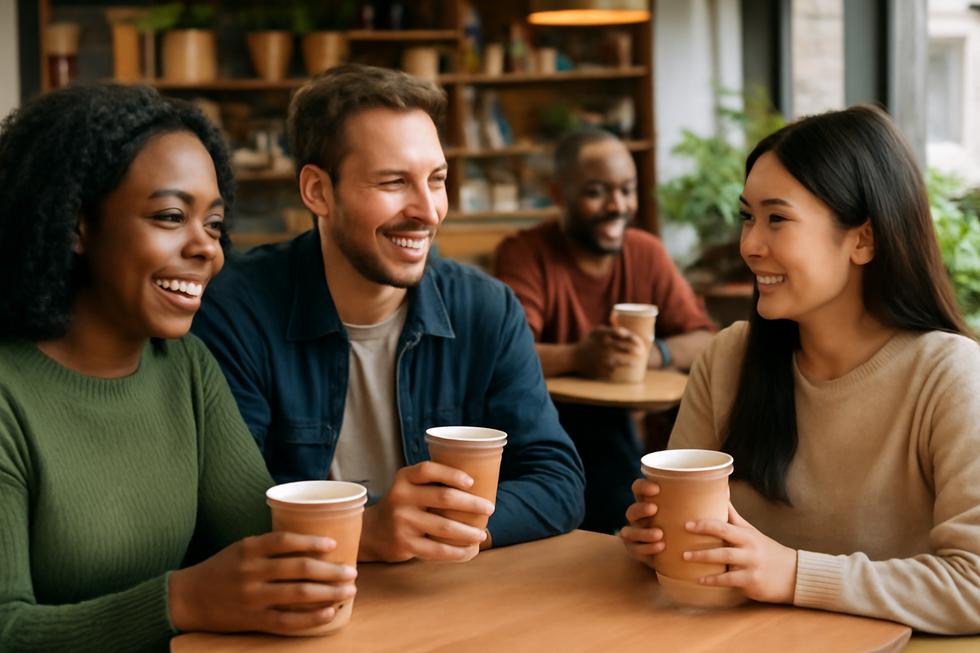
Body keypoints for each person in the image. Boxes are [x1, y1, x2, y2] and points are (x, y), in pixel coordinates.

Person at [0, 85, 358, 652]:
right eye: (171, 216)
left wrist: (371, 528)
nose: (207, 250)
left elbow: (260, 533)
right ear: (75, 224)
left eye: (213, 224)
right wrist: (180, 600)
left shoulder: (184, 365)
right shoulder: (8, 397)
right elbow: (7, 628)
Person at [192, 64, 585, 564]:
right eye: (394, 181)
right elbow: (225, 509)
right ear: (317, 192)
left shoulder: (485, 309)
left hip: (445, 597)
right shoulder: (236, 310)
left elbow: (559, 481)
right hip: (301, 602)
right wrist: (366, 531)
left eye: (436, 180)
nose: (428, 210)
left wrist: (441, 527)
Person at [620, 106, 980, 634]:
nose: (749, 245)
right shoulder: (730, 359)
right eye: (747, 216)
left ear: (863, 239)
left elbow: (972, 583)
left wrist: (792, 573)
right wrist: (658, 542)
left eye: (777, 218)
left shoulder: (950, 376)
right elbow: (699, 551)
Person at [493, 128, 714, 533]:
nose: (618, 206)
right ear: (559, 195)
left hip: (627, 432)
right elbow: (506, 356)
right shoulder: (526, 253)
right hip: (549, 426)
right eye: (597, 192)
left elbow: (706, 340)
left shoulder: (645, 252)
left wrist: (652, 354)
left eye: (627, 190)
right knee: (603, 436)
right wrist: (580, 357)